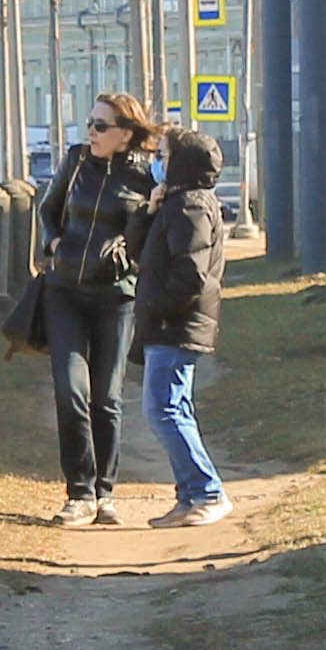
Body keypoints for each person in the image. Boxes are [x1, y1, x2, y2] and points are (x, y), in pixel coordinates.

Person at [35, 90, 157, 525]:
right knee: (72, 391)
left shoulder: (144, 178)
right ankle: (79, 492)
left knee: (106, 397)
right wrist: (52, 241)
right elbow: (47, 209)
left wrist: (144, 219)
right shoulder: (76, 162)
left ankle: (105, 494)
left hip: (115, 297)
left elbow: (144, 242)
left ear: (126, 134)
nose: (91, 132)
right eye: (89, 123)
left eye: (101, 126)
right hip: (64, 291)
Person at [135, 123, 232, 527]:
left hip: (176, 324)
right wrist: (151, 208)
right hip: (171, 323)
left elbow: (189, 275)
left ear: (181, 163)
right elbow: (139, 248)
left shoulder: (190, 206)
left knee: (163, 409)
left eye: (163, 157)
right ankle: (189, 495)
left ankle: (208, 491)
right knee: (173, 407)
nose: (156, 164)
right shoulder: (176, 203)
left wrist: (158, 308)